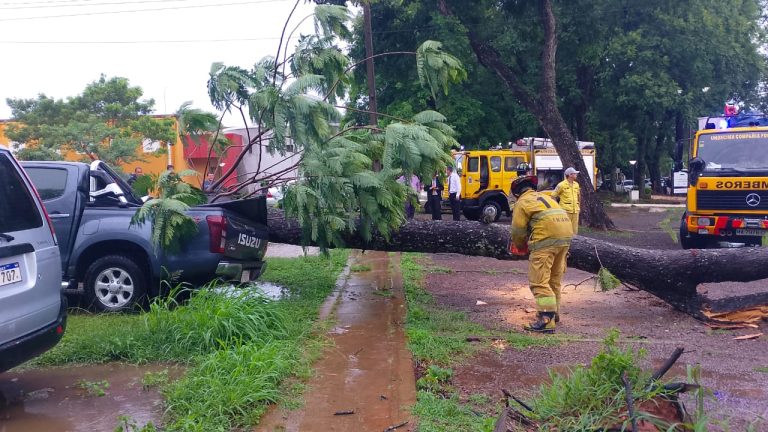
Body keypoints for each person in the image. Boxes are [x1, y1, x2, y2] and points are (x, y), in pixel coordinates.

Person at [509, 175, 574, 333]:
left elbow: (517, 231)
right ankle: (554, 313)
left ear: (516, 193)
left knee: (539, 282)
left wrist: (519, 246)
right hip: (566, 238)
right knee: (554, 279)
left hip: (545, 241)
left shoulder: (522, 202)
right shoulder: (545, 197)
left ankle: (546, 320)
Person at [551, 167, 581, 234]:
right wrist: (558, 208)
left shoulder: (576, 184)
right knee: (565, 230)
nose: (576, 175)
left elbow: (579, 196)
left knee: (574, 231)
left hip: (575, 211)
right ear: (570, 175)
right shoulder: (561, 185)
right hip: (565, 211)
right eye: (575, 174)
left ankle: (574, 243)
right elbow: (553, 196)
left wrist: (579, 207)